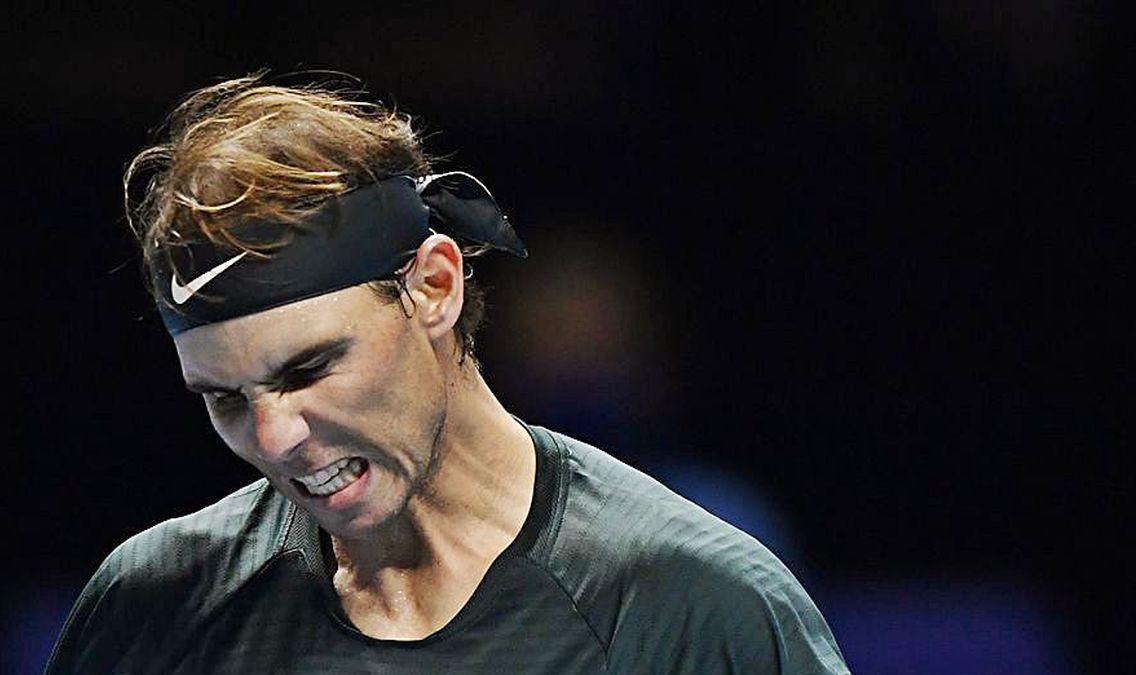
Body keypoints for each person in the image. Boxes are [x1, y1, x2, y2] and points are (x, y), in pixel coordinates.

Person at [45, 74, 850, 674]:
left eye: (312, 367)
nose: (274, 436)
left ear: (433, 285)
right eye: (225, 397)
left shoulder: (695, 611)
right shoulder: (148, 612)